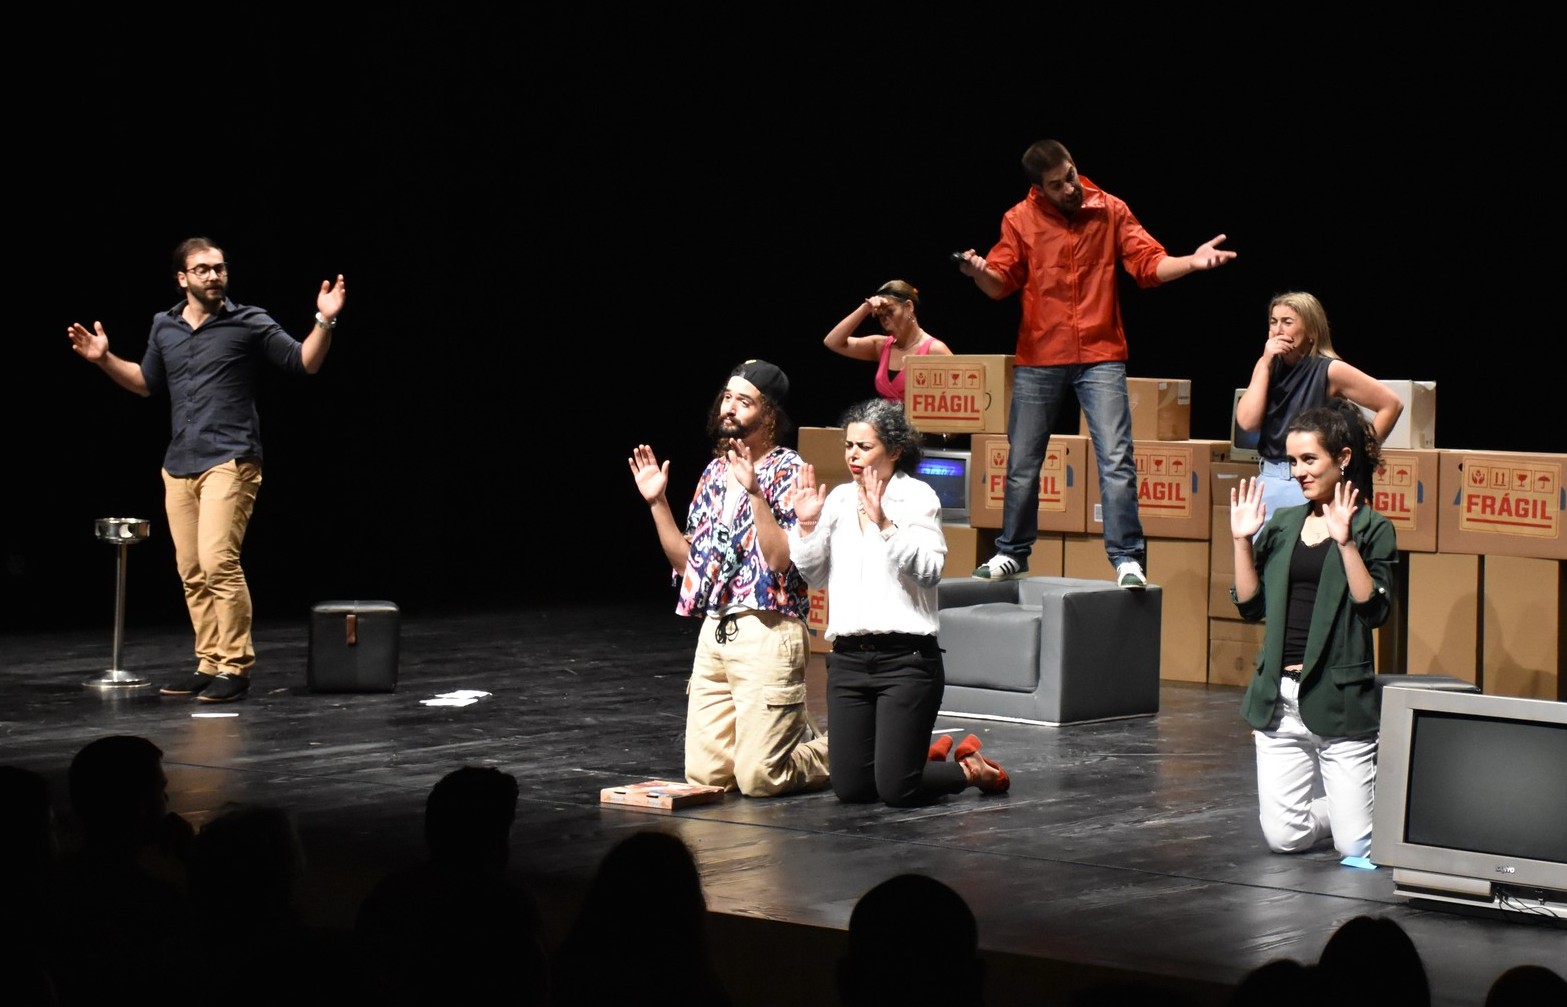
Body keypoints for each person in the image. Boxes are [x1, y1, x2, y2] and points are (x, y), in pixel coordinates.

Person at [67, 237, 347, 703]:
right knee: (192, 570)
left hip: (230, 459)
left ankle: (235, 666)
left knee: (219, 562)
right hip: (179, 464)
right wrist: (104, 360)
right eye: (203, 269)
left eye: (220, 268)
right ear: (183, 278)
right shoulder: (165, 325)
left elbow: (304, 361)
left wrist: (325, 320)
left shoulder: (248, 320)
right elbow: (145, 383)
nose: (215, 275)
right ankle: (210, 661)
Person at [956, 137, 1236, 587]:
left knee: (1117, 458)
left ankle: (1127, 557)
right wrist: (978, 273)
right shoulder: (1019, 219)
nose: (1070, 188)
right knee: (1023, 462)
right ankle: (1012, 551)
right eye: (1057, 184)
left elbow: (1148, 264)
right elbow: (1000, 282)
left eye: (1070, 175)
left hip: (1100, 354)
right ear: (1038, 189)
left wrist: (1190, 262)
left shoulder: (1109, 208)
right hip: (1041, 354)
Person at [789, 398, 1009, 805]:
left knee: (896, 789)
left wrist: (884, 524)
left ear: (893, 450)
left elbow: (930, 570)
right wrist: (805, 526)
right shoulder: (838, 500)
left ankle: (969, 769)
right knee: (852, 788)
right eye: (849, 446)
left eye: (864, 446)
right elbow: (814, 576)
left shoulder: (917, 497)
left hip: (906, 662)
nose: (853, 455)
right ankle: (917, 759)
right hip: (849, 661)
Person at [628, 359, 831, 797]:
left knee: (759, 778)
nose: (729, 408)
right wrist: (658, 503)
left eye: (744, 401)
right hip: (716, 632)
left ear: (768, 414)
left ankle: (849, 748)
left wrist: (755, 492)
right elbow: (689, 566)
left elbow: (780, 562)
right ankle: (781, 730)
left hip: (768, 629)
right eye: (726, 397)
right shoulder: (714, 473)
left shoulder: (787, 470)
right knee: (706, 778)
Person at [1229, 399, 1394, 859]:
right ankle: (1341, 812)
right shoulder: (1284, 524)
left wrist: (1346, 543)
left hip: (1337, 700)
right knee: (1285, 839)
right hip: (1280, 702)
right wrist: (1242, 541)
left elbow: (1374, 611)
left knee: (1356, 844)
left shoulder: (1372, 528)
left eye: (1308, 459)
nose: (1298, 472)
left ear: (1342, 459)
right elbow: (1250, 606)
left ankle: (1361, 811)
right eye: (1292, 461)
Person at [1234, 291, 1404, 527]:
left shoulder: (1329, 369)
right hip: (1270, 478)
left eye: (1287, 322)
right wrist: (1264, 363)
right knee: (1258, 547)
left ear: (1311, 331)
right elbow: (1247, 422)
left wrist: (1361, 455)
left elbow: (1391, 404)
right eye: (1273, 322)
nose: (1278, 330)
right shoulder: (1267, 365)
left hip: (1309, 481)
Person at [822, 279, 953, 403]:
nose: (885, 321)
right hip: (887, 419)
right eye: (881, 315)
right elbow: (832, 342)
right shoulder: (881, 346)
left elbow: (959, 398)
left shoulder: (934, 350)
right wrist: (865, 308)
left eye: (890, 312)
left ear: (909, 307)